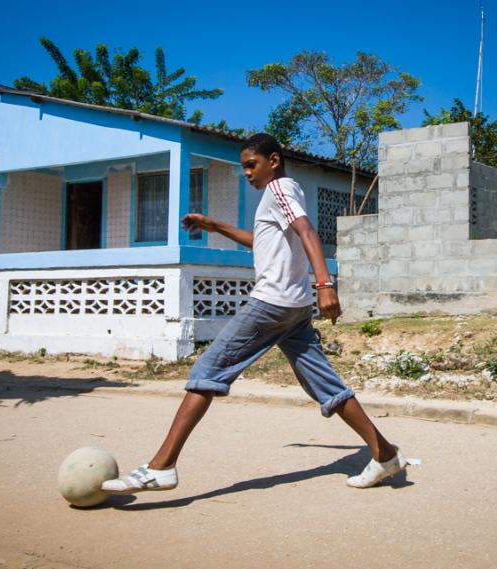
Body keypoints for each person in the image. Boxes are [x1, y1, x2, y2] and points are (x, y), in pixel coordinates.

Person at [102, 133, 409, 494]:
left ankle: (162, 466)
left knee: (207, 370)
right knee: (326, 385)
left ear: (273, 160)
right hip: (293, 310)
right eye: (244, 166)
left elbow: (306, 230)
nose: (247, 172)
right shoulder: (274, 198)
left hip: (272, 304)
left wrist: (325, 284)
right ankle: (386, 454)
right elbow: (260, 240)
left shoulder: (280, 189)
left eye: (252, 164)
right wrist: (213, 225)